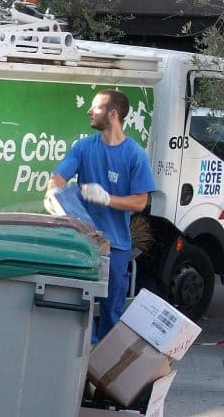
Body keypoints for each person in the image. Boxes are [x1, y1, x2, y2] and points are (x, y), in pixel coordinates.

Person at [44, 89, 155, 342]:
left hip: (115, 246)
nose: (89, 111)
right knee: (75, 308)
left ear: (113, 114)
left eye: (96, 107)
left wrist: (107, 199)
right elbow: (59, 177)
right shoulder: (83, 147)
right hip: (83, 245)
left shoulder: (135, 155)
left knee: (110, 313)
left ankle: (102, 374)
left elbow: (140, 202)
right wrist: (53, 192)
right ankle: (77, 370)